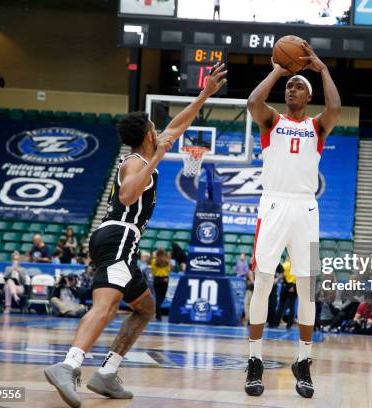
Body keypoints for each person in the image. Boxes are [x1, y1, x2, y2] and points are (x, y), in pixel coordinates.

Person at [43, 62, 227, 408]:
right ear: (147, 137)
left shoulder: (145, 154)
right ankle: (69, 365)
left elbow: (177, 125)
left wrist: (204, 96)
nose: (161, 132)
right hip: (119, 237)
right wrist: (157, 158)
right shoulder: (136, 163)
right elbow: (128, 196)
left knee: (144, 308)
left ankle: (108, 372)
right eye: (155, 129)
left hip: (118, 239)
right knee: (108, 305)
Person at [244, 40, 340, 398]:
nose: (292, 89)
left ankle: (304, 361)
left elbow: (336, 107)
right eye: (289, 86)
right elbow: (253, 102)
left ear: (308, 94)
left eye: (298, 85)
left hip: (307, 209)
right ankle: (255, 361)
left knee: (307, 288)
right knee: (264, 283)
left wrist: (323, 69)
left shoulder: (317, 126)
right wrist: (278, 70)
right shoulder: (272, 120)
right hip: (272, 206)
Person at [276, 256, 297, 329]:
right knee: (292, 307)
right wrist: (293, 287)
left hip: (285, 285)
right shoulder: (297, 266)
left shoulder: (284, 265)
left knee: (281, 305)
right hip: (294, 286)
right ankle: (289, 325)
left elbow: (281, 274)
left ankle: (277, 323)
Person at [151, 248, 171, 321]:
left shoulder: (154, 261)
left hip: (157, 279)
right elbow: (169, 270)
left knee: (158, 298)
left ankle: (158, 314)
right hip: (165, 279)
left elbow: (153, 270)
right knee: (162, 297)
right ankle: (158, 314)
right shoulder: (167, 261)